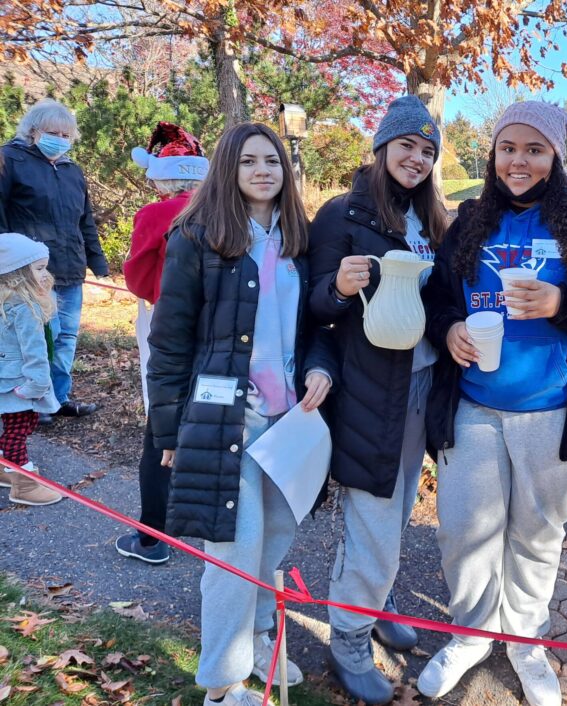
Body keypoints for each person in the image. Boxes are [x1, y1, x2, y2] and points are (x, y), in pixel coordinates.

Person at [418, 101, 567, 706]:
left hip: (553, 408)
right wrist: (448, 328)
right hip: (473, 405)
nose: (518, 162)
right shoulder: (470, 221)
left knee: (537, 534)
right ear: (493, 154)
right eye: (508, 148)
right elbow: (438, 297)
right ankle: (469, 635)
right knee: (464, 529)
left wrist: (559, 303)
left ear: (556, 157)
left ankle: (524, 641)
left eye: (534, 150)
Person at [146, 122, 334, 706]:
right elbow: (168, 340)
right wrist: (168, 429)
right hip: (226, 420)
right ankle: (222, 684)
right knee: (233, 551)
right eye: (249, 160)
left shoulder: (298, 239)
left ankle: (257, 641)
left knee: (273, 540)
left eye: (272, 160)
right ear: (227, 167)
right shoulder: (196, 237)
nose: (262, 170)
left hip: (289, 422)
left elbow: (317, 328)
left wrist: (320, 368)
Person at [306, 95, 448, 705]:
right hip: (369, 388)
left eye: (427, 150)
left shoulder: (432, 220)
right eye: (406, 145)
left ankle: (379, 600)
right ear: (383, 145)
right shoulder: (342, 214)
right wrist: (338, 288)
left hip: (424, 382)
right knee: (372, 516)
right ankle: (348, 640)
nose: (416, 158)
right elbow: (311, 309)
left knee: (397, 506)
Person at [115, 122, 209, 565]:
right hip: (219, 326)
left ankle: (153, 536)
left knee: (162, 421)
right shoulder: (225, 210)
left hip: (165, 322)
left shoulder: (154, 215)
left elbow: (137, 278)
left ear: (159, 177)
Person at [0, 98, 109, 423]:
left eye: (66, 135)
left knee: (65, 339)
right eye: (53, 133)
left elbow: (85, 221)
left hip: (71, 268)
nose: (60, 140)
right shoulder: (10, 160)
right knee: (38, 339)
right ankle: (30, 404)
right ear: (33, 131)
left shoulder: (73, 171)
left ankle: (57, 399)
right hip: (28, 272)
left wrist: (98, 263)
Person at [0, 233, 63, 505]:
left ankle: (5, 469)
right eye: (39, 269)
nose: (45, 274)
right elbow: (35, 353)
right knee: (18, 431)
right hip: (21, 383)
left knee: (14, 427)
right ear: (17, 274)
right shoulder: (26, 308)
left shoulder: (5, 303)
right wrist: (37, 386)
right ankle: (23, 486)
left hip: (6, 380)